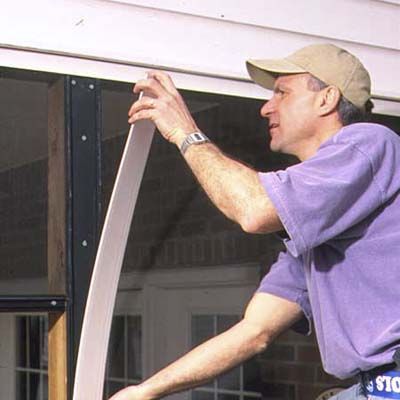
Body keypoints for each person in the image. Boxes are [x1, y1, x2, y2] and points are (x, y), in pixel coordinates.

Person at [110, 43, 400, 400]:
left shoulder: (371, 143)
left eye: (282, 92)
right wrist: (145, 391)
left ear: (327, 99)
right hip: (375, 388)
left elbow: (253, 210)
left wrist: (185, 133)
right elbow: (254, 331)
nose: (266, 107)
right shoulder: (319, 228)